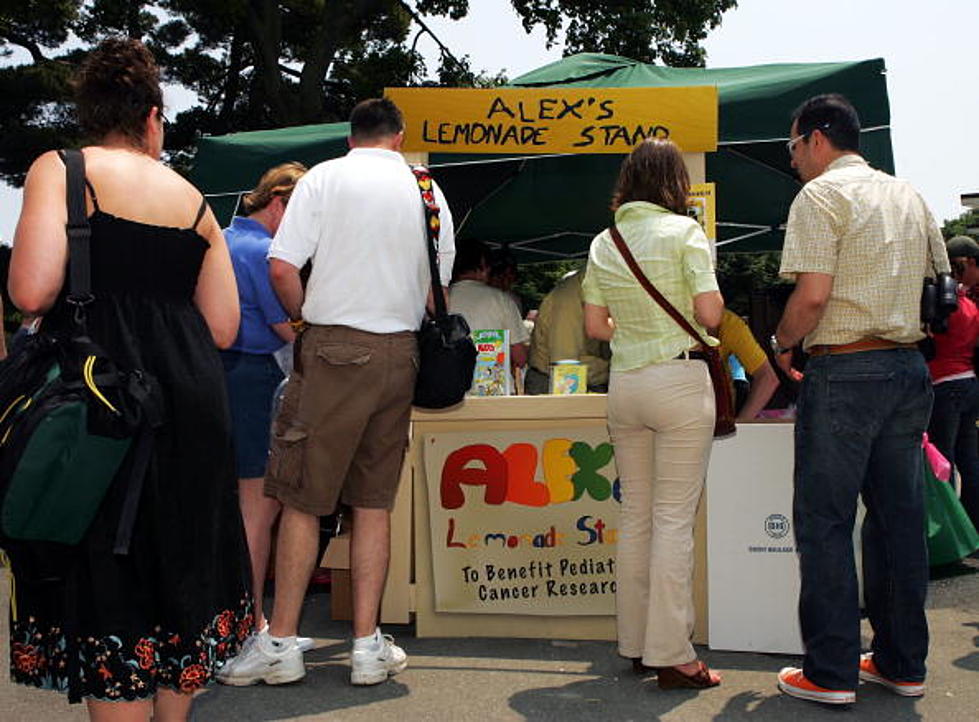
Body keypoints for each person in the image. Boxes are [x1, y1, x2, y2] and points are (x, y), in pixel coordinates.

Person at [7, 37, 251, 720]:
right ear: (152, 118)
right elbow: (225, 327)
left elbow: (31, 290)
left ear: (91, 113)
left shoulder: (61, 168)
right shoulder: (193, 198)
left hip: (99, 402)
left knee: (109, 579)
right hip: (190, 401)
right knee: (179, 573)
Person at [217, 97, 455, 687]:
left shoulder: (323, 178)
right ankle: (368, 646)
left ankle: (280, 643)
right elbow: (436, 292)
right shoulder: (427, 190)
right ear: (398, 138)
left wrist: (303, 326)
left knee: (302, 498)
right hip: (401, 353)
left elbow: (281, 267)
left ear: (352, 138)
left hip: (332, 347)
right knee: (373, 501)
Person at [771, 94, 946, 705]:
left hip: (844, 368)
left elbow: (813, 297)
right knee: (898, 522)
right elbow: (939, 288)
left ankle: (831, 670)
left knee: (825, 522)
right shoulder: (909, 195)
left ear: (817, 139)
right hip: (907, 366)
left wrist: (782, 341)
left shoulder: (819, 197)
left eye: (792, 146)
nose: (792, 159)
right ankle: (902, 662)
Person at [582, 138, 724, 689]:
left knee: (636, 516)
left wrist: (636, 332)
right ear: (674, 182)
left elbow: (596, 328)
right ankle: (673, 654)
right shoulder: (686, 232)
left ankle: (638, 644)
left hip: (625, 386)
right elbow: (710, 311)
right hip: (679, 380)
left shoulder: (605, 241)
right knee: (671, 520)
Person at [221, 162, 313, 649]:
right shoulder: (261, 252)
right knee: (259, 509)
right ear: (279, 204)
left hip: (223, 376)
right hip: (256, 379)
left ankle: (238, 621)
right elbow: (288, 327)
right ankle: (251, 625)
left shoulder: (221, 237)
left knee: (242, 509)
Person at [926, 235, 979, 530]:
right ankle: (974, 531)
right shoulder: (970, 305)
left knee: (942, 463)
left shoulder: (943, 304)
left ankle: (948, 532)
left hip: (945, 385)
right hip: (969, 383)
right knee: (969, 462)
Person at [450, 240, 529, 371]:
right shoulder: (502, 299)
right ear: (483, 265)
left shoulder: (440, 299)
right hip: (494, 386)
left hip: (449, 385)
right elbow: (520, 357)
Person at [526, 270, 611, 394]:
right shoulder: (569, 300)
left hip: (574, 382)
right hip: (554, 384)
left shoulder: (591, 289)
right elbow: (566, 366)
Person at [716, 309, 780, 421]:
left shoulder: (728, 323)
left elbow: (768, 378)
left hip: (718, 415)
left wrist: (741, 425)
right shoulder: (728, 321)